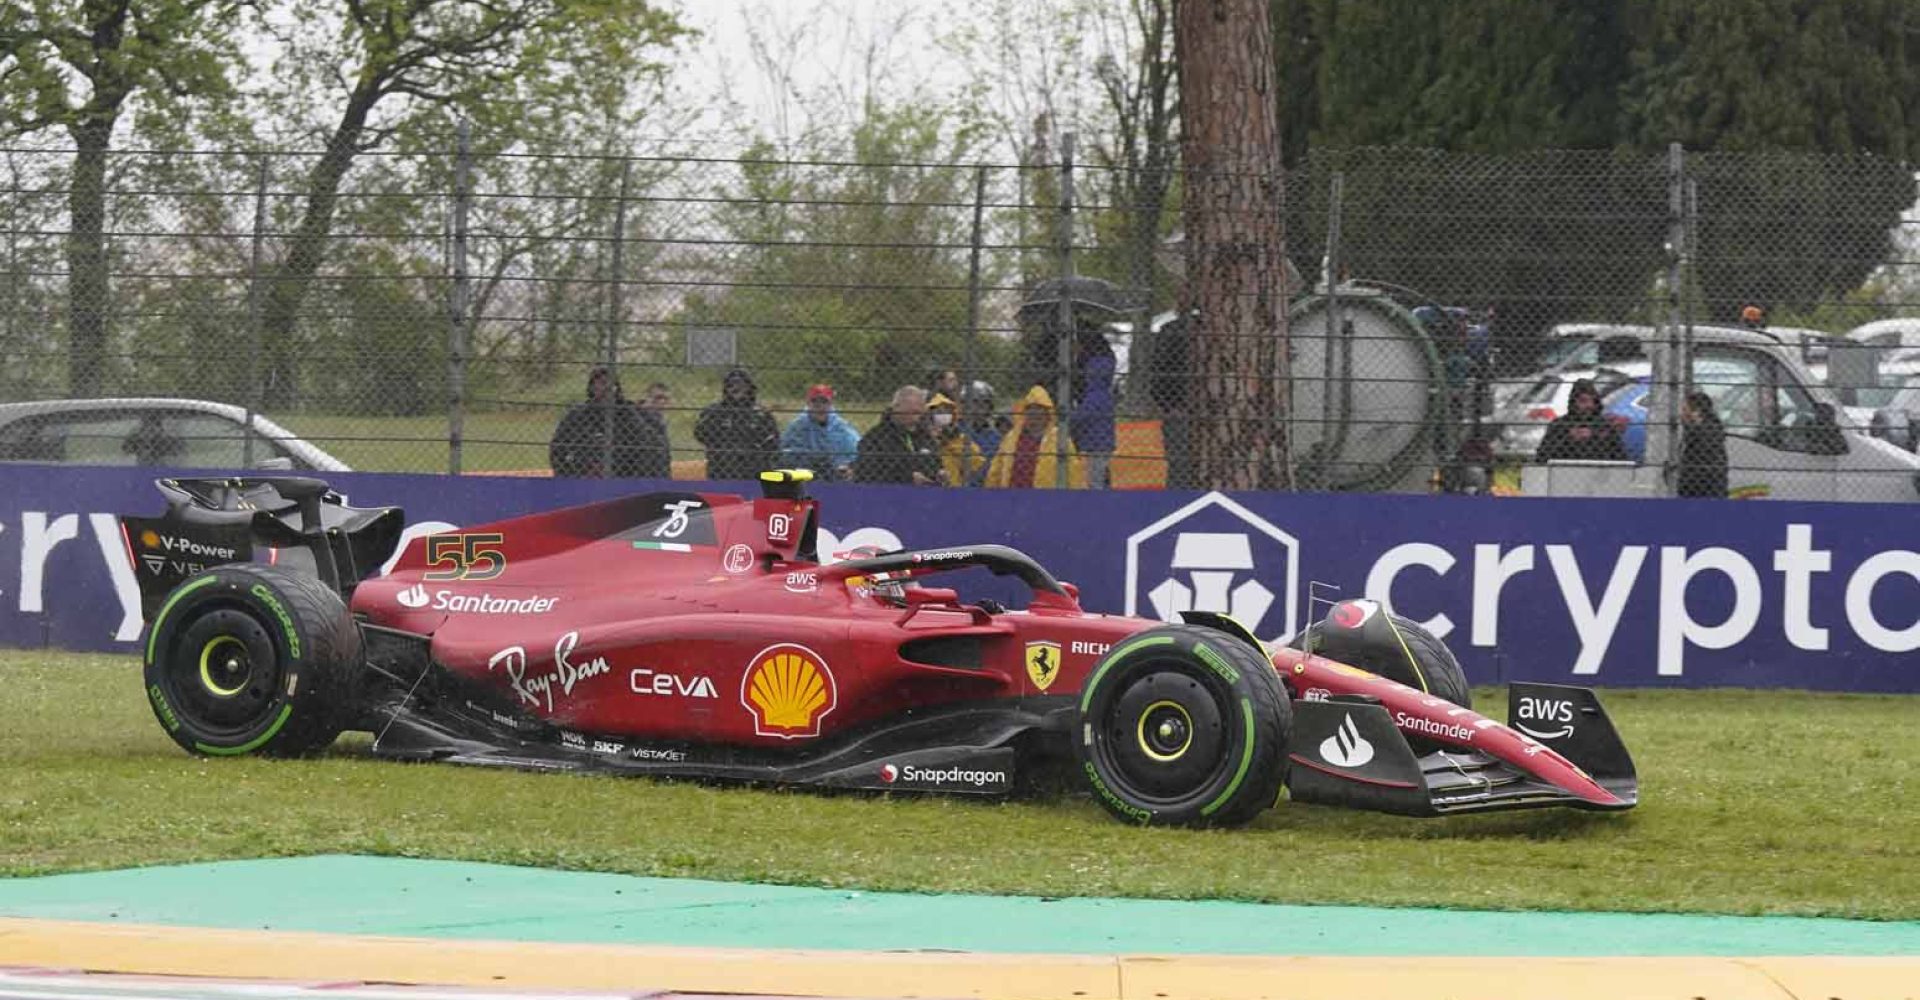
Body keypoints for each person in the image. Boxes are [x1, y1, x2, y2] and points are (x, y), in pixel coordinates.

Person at [549, 365, 669, 478]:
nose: (607, 388)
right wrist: (566, 476)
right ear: (592, 387)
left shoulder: (629, 413)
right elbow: (558, 448)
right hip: (584, 473)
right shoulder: (578, 414)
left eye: (611, 384)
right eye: (601, 383)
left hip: (623, 473)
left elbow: (647, 444)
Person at [986, 385, 1086, 489]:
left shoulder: (1059, 438)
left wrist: (1077, 498)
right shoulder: (1012, 437)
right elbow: (996, 469)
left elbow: (1073, 471)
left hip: (1047, 498)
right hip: (1012, 495)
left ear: (1048, 414)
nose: (1035, 414)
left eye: (1039, 410)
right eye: (1031, 410)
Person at [694, 367, 779, 480]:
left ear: (749, 388)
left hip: (753, 469)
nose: (736, 388)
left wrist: (757, 453)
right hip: (721, 468)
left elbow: (773, 442)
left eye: (741, 385)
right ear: (726, 388)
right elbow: (700, 433)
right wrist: (721, 446)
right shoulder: (715, 411)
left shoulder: (760, 413)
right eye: (731, 385)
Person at [854, 385, 941, 484]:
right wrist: (907, 478)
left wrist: (940, 473)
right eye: (912, 411)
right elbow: (866, 473)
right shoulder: (875, 437)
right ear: (896, 408)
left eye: (918, 412)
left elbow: (936, 462)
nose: (916, 417)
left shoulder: (926, 436)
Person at [1535, 378, 1628, 463]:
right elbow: (1541, 457)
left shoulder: (1604, 425)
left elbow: (1621, 457)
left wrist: (1594, 436)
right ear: (1574, 402)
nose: (1589, 406)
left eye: (1592, 401)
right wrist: (1568, 438)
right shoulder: (1560, 425)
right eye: (1583, 401)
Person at [779, 383, 861, 480]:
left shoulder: (841, 427)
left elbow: (855, 450)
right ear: (808, 404)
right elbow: (786, 451)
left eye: (824, 402)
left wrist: (844, 465)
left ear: (830, 404)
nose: (819, 406)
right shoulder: (798, 425)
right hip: (805, 470)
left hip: (834, 471)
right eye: (815, 401)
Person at [1068, 328, 1116, 488]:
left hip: (1097, 444)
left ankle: (1098, 494)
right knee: (1098, 471)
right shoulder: (1103, 394)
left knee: (1095, 475)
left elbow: (1082, 415)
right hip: (1100, 442)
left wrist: (1069, 418)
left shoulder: (1095, 395)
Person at [927, 392, 986, 488]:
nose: (942, 415)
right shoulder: (923, 438)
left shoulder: (961, 440)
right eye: (938, 412)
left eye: (946, 411)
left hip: (955, 490)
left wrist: (951, 442)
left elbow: (978, 465)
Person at [1677, 390, 1727, 498]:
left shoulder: (1706, 434)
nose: (1681, 414)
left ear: (1697, 412)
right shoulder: (1708, 429)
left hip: (1702, 490)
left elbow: (1698, 466)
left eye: (1685, 409)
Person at [959, 380, 1002, 485]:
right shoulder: (955, 431)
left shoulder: (996, 437)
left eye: (985, 402)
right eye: (975, 401)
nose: (980, 406)